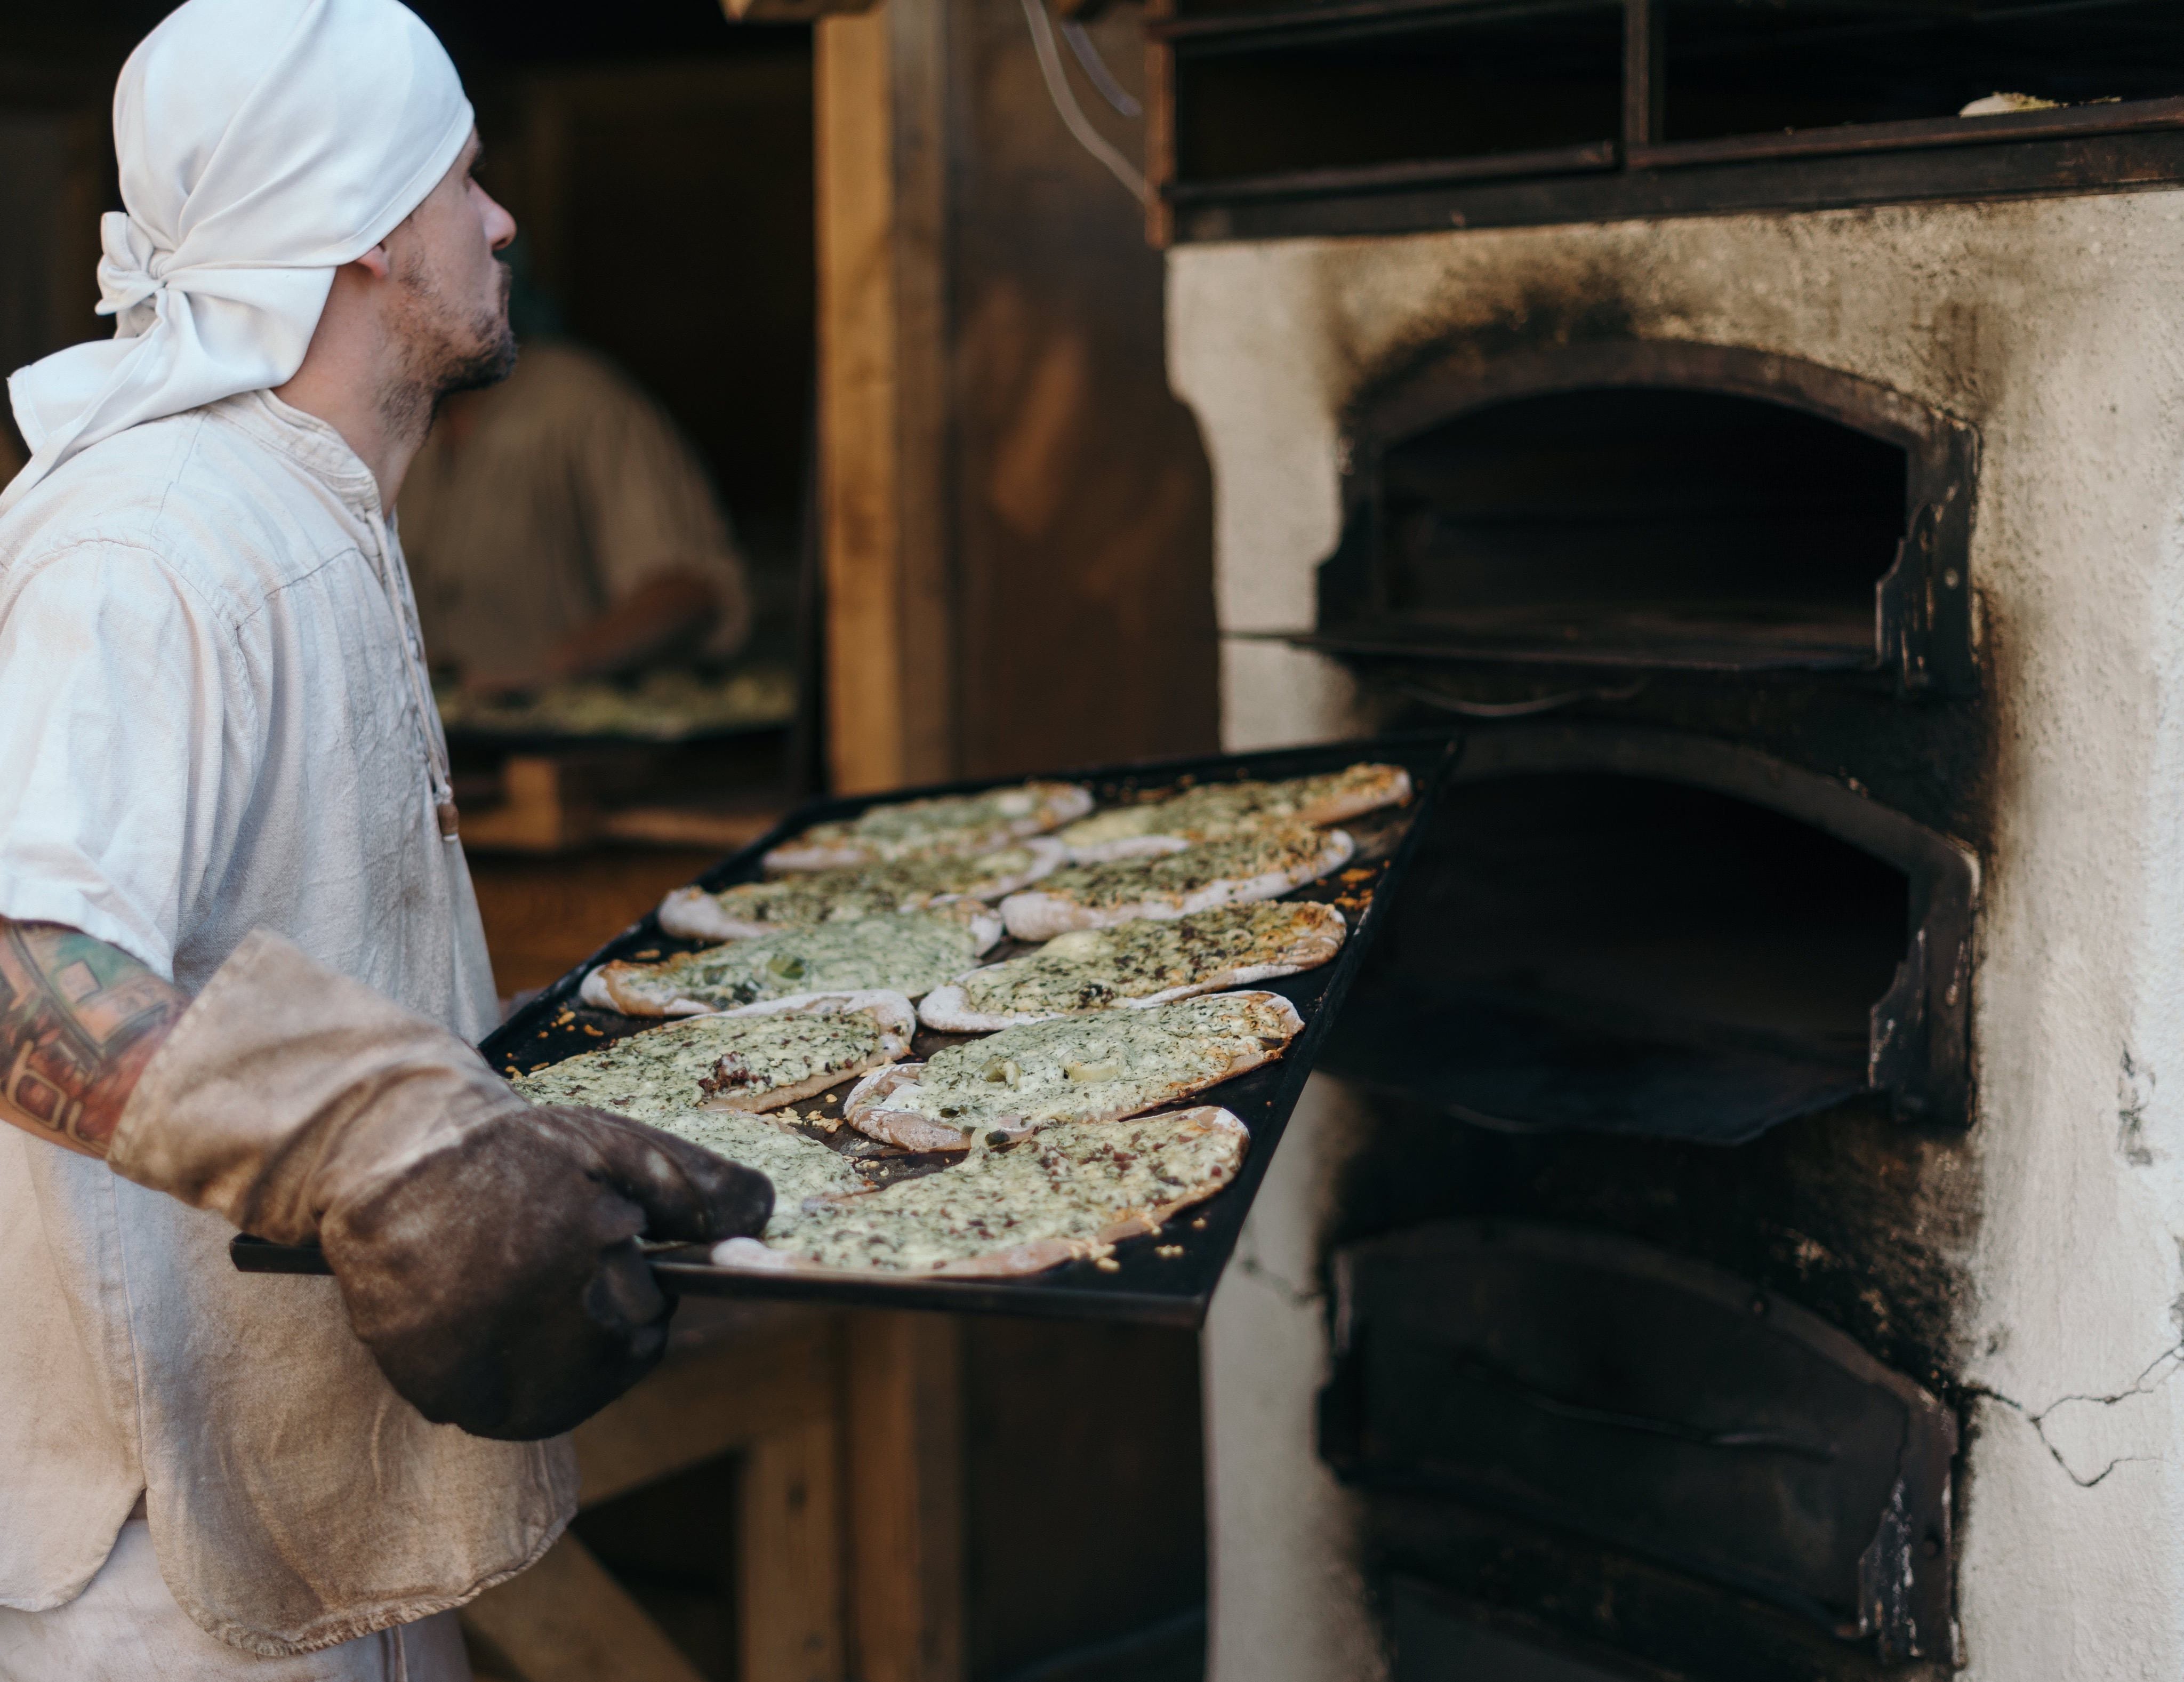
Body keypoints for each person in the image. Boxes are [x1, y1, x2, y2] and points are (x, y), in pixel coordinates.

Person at [0, 1, 772, 1676]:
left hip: (301, 1486)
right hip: (153, 1559)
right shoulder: (154, 545)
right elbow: (15, 970)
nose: (499, 223)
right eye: (463, 180)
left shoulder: (298, 508)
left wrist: (471, 1130)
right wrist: (383, 1151)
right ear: (356, 225)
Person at [399, 336, 752, 695]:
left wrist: (558, 668)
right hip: (438, 739)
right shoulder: (394, 415)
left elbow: (693, 591)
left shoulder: (582, 404)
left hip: (571, 738)